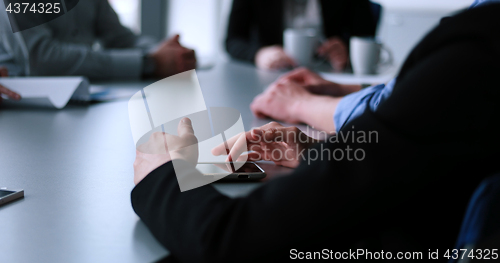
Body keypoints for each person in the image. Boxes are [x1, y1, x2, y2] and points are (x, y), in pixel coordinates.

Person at [131, 3, 500, 262]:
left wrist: (163, 173)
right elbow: (435, 167)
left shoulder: (479, 51)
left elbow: (229, 242)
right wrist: (322, 154)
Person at [19, 0, 196, 80]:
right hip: (21, 110)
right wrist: (149, 63)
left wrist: (168, 52)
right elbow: (42, 59)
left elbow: (121, 38)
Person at [225, 0, 377, 71]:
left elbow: (366, 35)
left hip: (331, 74)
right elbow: (232, 40)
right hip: (272, 75)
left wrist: (347, 51)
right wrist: (258, 54)